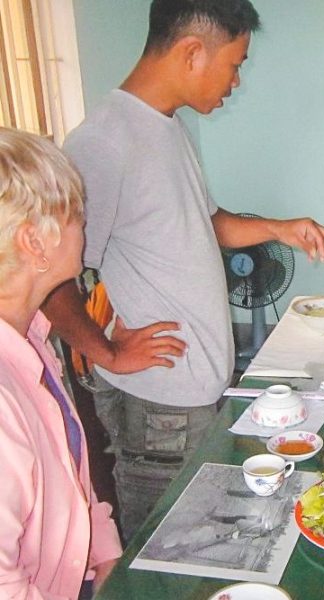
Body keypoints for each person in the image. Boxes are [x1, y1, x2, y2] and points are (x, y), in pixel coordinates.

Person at [42, 0, 324, 542]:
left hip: (196, 392)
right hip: (159, 408)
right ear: (192, 52)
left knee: (204, 541)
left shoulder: (168, 127)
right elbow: (51, 279)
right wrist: (107, 350)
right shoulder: (104, 141)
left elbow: (207, 223)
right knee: (165, 549)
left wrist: (279, 227)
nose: (236, 80)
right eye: (236, 62)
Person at [0, 127, 122, 598]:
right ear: (35, 242)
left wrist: (107, 551)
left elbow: (72, 477)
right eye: (75, 214)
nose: (85, 225)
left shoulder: (32, 338)